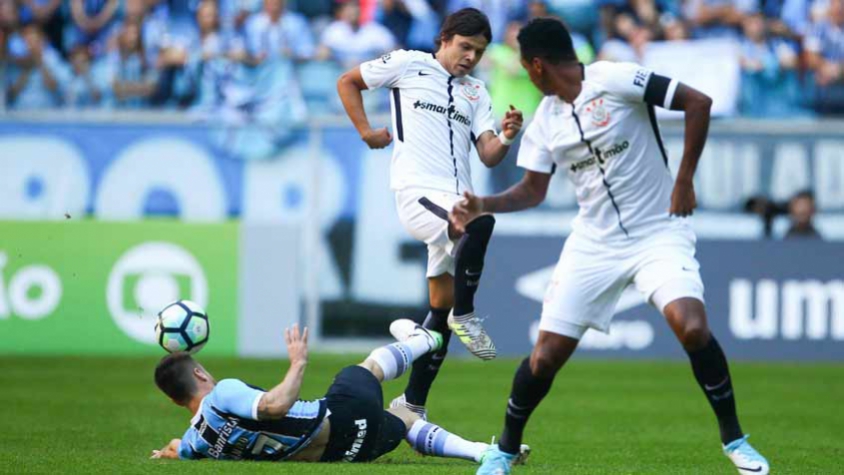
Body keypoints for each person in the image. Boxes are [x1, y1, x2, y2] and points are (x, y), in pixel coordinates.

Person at [449, 18, 770, 475]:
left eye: (525, 69)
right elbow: (532, 191)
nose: (527, 77)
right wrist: (483, 202)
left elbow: (698, 102)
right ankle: (504, 450)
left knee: (692, 327)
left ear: (537, 66)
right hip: (593, 244)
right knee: (544, 359)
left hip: (659, 232)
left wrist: (684, 181)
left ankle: (736, 441)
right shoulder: (546, 121)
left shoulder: (615, 78)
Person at [336, 8, 524, 418]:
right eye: (465, 47)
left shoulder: (477, 92)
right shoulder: (409, 64)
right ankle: (467, 314)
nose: (471, 57)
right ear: (444, 38)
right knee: (480, 223)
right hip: (419, 193)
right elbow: (348, 81)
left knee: (438, 307)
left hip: (455, 200)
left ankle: (412, 403)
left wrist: (508, 134)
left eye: (478, 51)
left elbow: (488, 154)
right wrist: (366, 131)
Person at [151, 321, 529, 464]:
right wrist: (297, 363)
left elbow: (178, 447)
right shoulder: (223, 393)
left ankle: (485, 452)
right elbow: (272, 405)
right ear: (199, 372)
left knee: (405, 417)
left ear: (173, 400)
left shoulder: (195, 443)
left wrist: (166, 451)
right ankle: (425, 338)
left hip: (347, 454)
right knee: (365, 370)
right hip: (340, 417)